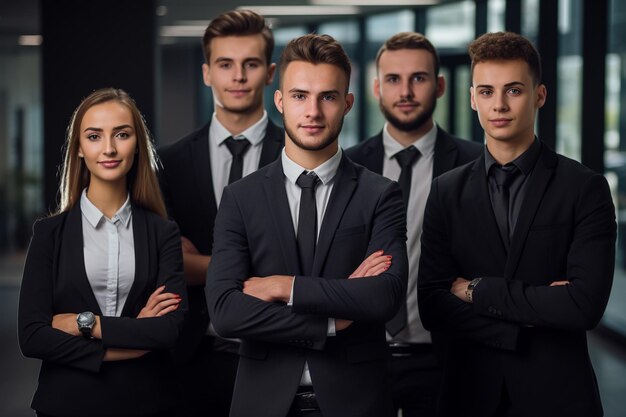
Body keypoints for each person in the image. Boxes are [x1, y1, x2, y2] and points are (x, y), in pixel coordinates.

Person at [205, 34, 408, 417]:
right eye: (299, 96)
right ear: (280, 101)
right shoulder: (240, 197)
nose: (312, 111)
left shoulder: (380, 194)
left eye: (328, 97)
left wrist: (286, 287)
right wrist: (333, 318)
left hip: (356, 402)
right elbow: (226, 311)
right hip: (262, 403)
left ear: (347, 103)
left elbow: (384, 296)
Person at [417, 31, 616, 417]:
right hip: (468, 395)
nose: (500, 105)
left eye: (514, 90)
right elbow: (432, 305)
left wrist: (477, 290)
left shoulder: (585, 188)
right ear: (472, 99)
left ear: (539, 95)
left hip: (558, 397)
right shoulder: (446, 190)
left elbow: (583, 306)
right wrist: (529, 321)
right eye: (487, 92)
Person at [18, 87, 187, 417]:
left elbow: (168, 330)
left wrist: (86, 324)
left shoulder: (163, 233)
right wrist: (132, 345)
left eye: (121, 134)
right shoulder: (49, 234)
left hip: (147, 402)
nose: (109, 148)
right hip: (66, 403)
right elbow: (33, 336)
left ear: (137, 143)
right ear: (79, 148)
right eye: (94, 136)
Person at [346, 32, 481, 417]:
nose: (405, 91)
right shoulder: (347, 167)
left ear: (439, 85)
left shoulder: (475, 165)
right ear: (376, 88)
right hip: (361, 355)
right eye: (393, 79)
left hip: (447, 356)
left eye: (418, 78)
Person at [157, 9, 284, 417]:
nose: (238, 76)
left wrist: (203, 263)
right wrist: (256, 270)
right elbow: (165, 263)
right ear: (207, 73)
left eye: (251, 64)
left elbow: (305, 257)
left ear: (269, 72)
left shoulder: (298, 156)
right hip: (190, 354)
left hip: (277, 353)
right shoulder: (168, 164)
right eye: (225, 65)